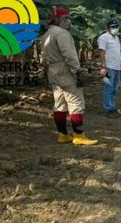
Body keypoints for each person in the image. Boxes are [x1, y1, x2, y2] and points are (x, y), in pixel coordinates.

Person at [41, 8, 98, 145]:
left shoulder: (47, 34)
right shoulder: (62, 33)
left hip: (53, 71)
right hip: (65, 70)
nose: (68, 21)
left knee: (59, 104)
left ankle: (62, 135)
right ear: (58, 19)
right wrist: (77, 71)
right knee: (75, 103)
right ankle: (78, 136)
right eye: (66, 18)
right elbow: (69, 55)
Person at [97, 18, 121, 118]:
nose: (115, 29)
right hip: (109, 67)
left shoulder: (116, 38)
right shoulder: (103, 38)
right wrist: (103, 67)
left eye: (116, 27)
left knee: (115, 89)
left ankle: (112, 107)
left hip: (117, 67)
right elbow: (102, 52)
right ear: (108, 28)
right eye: (113, 27)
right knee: (109, 88)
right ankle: (108, 109)